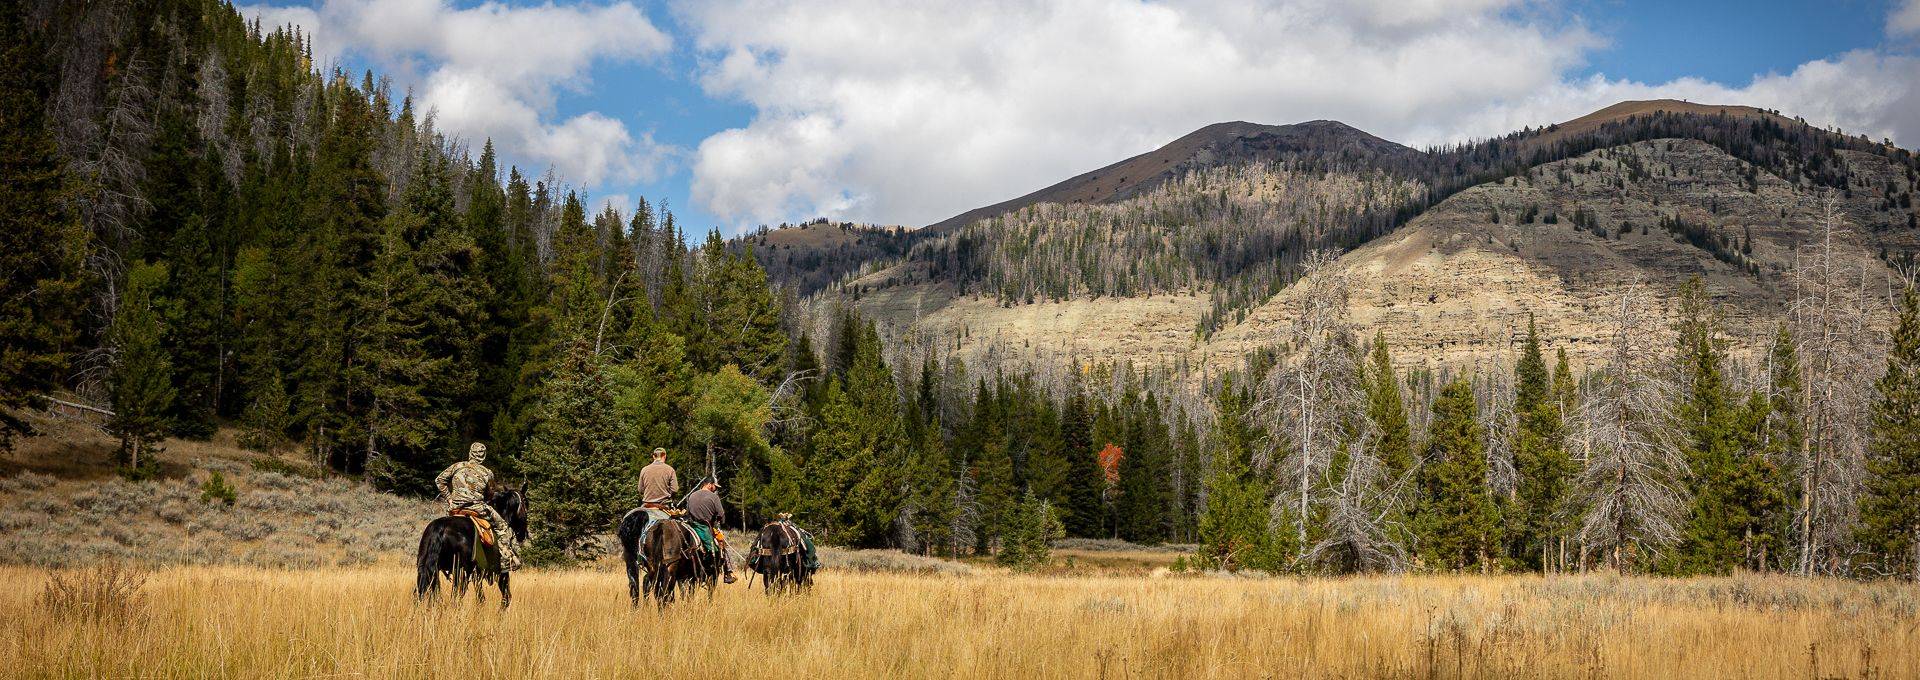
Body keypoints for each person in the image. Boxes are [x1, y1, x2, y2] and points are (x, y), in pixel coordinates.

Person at [435, 442, 519, 570]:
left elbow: (439, 481)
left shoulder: (457, 466)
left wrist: (449, 499)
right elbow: (490, 494)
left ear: (470, 453)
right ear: (483, 456)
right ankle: (505, 562)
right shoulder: (487, 473)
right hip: (477, 508)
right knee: (503, 527)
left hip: (456, 508)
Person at [685, 477, 737, 583]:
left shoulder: (692, 495)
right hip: (705, 528)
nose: (715, 489)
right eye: (714, 486)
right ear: (709, 484)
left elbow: (687, 512)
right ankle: (728, 572)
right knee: (721, 546)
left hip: (690, 526)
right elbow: (721, 515)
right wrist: (720, 522)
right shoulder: (714, 497)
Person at [635, 447, 678, 563]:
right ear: (664, 456)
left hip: (646, 506)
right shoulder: (670, 470)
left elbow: (640, 489)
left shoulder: (644, 469)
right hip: (663, 506)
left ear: (653, 456)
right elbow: (675, 489)